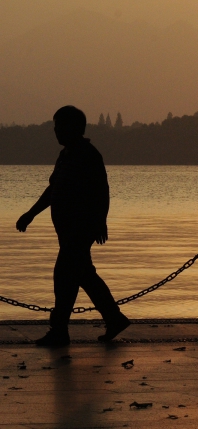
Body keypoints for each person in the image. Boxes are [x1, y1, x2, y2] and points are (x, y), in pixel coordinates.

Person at [16, 106, 130, 347]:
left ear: (75, 128)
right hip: (66, 229)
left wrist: (100, 221)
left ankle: (59, 330)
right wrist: (31, 214)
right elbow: (52, 191)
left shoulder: (88, 154)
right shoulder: (65, 155)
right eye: (55, 127)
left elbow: (102, 190)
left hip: (81, 228)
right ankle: (113, 318)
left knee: (63, 276)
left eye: (60, 127)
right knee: (83, 275)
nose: (56, 131)